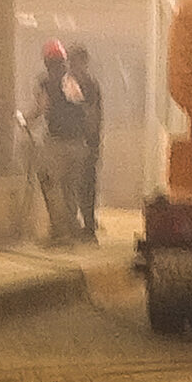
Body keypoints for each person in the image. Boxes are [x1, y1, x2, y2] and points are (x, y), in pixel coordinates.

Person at [24, 40, 97, 246]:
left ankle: (60, 232)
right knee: (69, 188)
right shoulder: (73, 80)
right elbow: (86, 111)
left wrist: (25, 120)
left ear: (47, 62)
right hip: (79, 144)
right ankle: (72, 230)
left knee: (50, 184)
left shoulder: (46, 82)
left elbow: (42, 108)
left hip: (57, 143)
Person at [65, 45, 108, 241]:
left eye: (76, 61)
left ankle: (88, 228)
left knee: (86, 186)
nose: (73, 65)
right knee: (76, 186)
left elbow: (92, 115)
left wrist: (89, 142)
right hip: (81, 143)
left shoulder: (88, 85)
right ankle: (81, 226)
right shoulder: (76, 84)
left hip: (85, 144)